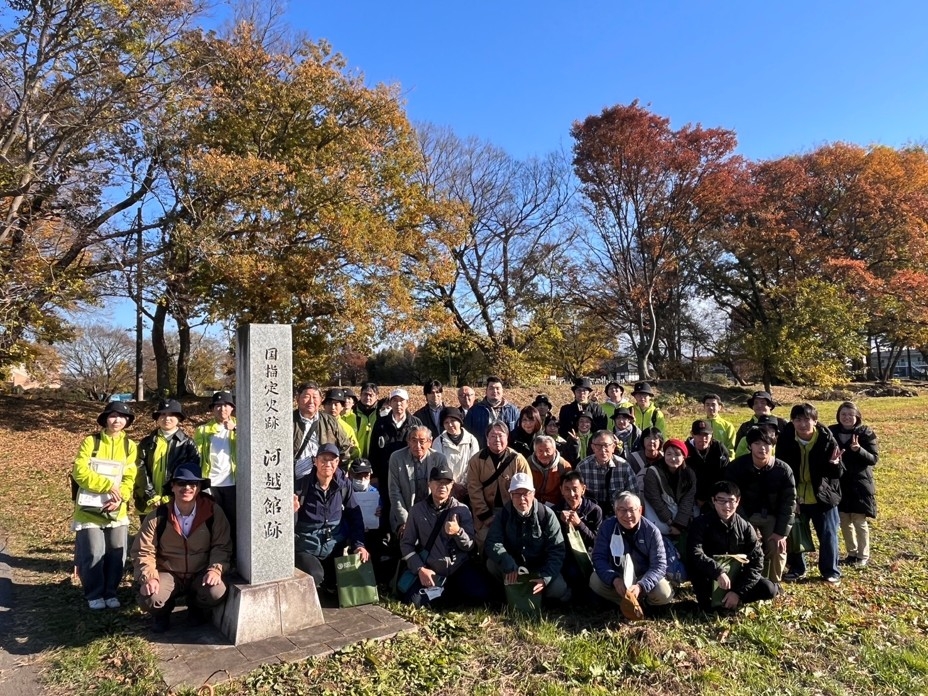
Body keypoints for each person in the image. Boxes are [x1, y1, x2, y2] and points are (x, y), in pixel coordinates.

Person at [133, 463, 232, 632]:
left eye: (193, 483)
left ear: (199, 487)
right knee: (150, 598)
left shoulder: (213, 512)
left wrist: (215, 569)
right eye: (181, 483)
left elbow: (222, 545)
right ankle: (162, 612)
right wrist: (149, 577)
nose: (187, 488)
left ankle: (196, 606)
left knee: (216, 592)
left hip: (200, 572)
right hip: (168, 572)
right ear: (172, 486)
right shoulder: (158, 516)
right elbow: (143, 550)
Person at [72, 401, 138, 610]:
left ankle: (111, 592)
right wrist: (107, 486)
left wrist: (121, 496)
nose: (117, 420)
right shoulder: (91, 442)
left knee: (117, 553)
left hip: (116, 509)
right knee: (94, 552)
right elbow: (79, 471)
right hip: (89, 510)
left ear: (127, 421)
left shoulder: (130, 446)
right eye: (112, 415)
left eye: (122, 416)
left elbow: (130, 476)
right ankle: (94, 593)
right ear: (105, 419)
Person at [398, 463, 489, 606]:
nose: (442, 486)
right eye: (438, 481)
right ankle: (445, 594)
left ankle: (447, 593)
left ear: (452, 485)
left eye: (446, 482)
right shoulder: (417, 511)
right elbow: (406, 544)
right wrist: (420, 569)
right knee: (413, 601)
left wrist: (458, 532)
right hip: (432, 569)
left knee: (481, 594)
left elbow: (469, 546)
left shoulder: (462, 509)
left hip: (458, 567)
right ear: (429, 484)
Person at [686, 481, 780, 612]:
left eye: (731, 501)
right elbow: (695, 553)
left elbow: (757, 561)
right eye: (721, 500)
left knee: (769, 589)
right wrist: (718, 572)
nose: (727, 506)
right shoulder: (700, 524)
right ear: (713, 500)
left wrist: (738, 592)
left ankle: (734, 598)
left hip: (736, 578)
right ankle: (714, 600)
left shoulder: (745, 527)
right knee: (709, 609)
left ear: (738, 501)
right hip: (709, 577)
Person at [778, 403, 844, 584]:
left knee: (828, 534)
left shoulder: (827, 439)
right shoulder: (786, 439)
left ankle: (830, 571)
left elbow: (838, 473)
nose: (802, 424)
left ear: (815, 421)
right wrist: (792, 498)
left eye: (807, 419)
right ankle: (797, 568)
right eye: (798, 419)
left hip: (823, 495)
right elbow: (783, 471)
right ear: (792, 421)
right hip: (797, 494)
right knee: (795, 532)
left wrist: (834, 464)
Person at [293, 444, 369, 593]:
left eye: (332, 460)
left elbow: (355, 516)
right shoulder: (301, 485)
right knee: (315, 575)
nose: (327, 464)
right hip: (307, 546)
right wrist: (292, 511)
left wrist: (359, 545)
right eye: (323, 460)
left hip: (333, 545)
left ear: (337, 462)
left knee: (338, 583)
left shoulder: (344, 485)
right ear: (315, 461)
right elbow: (289, 523)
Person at [724, 426, 796, 583]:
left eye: (767, 444)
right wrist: (744, 526)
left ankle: (773, 583)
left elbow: (789, 503)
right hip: (744, 516)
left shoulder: (783, 470)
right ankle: (741, 582)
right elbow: (731, 499)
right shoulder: (737, 467)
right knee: (741, 544)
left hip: (772, 516)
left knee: (778, 546)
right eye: (757, 443)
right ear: (750, 446)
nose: (762, 448)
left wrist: (781, 533)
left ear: (773, 445)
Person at [486, 473, 570, 603]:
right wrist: (507, 563)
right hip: (514, 566)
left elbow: (557, 550)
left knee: (558, 589)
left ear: (533, 494)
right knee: (491, 564)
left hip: (540, 568)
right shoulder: (504, 514)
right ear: (510, 495)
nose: (522, 498)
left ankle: (533, 595)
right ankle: (512, 590)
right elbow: (492, 541)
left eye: (526, 493)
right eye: (517, 494)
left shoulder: (546, 515)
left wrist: (545, 578)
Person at [590, 491, 673, 618]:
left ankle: (643, 603)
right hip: (618, 578)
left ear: (640, 510)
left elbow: (659, 565)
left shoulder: (652, 531)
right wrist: (614, 579)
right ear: (615, 511)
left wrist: (641, 586)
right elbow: (598, 558)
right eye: (622, 510)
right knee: (595, 580)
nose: (627, 515)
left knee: (663, 593)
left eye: (631, 510)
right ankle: (625, 603)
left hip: (643, 578)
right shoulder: (607, 527)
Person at [466, 421, 531, 549]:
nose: (497, 439)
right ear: (487, 438)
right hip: (486, 512)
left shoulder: (518, 459)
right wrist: (486, 516)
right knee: (484, 542)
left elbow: (527, 490)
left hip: (513, 511)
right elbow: (474, 490)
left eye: (500, 435)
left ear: (507, 437)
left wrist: (516, 513)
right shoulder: (476, 461)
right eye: (493, 436)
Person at [830, 401, 879, 569]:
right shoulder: (831, 432)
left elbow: (873, 459)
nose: (847, 417)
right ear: (838, 415)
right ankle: (851, 553)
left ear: (857, 416)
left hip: (860, 483)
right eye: (843, 414)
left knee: (859, 520)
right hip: (839, 483)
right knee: (844, 520)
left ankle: (862, 555)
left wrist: (859, 450)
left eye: (850, 414)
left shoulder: (865, 433)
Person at [367, 388, 423, 532]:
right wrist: (374, 475)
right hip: (385, 475)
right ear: (390, 403)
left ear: (407, 403)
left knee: (407, 507)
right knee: (386, 508)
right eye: (395, 400)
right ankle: (386, 541)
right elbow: (373, 451)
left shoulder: (415, 423)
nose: (398, 404)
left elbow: (422, 449)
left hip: (409, 475)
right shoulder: (381, 424)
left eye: (401, 401)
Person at [134, 399, 200, 517]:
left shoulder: (187, 444)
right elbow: (139, 469)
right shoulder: (146, 442)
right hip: (148, 502)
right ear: (157, 418)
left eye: (171, 415)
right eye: (163, 414)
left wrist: (171, 496)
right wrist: (151, 496)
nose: (167, 418)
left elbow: (190, 474)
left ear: (179, 418)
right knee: (149, 529)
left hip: (176, 501)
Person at [388, 426, 448, 538]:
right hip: (404, 512)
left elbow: (443, 491)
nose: (418, 446)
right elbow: (394, 492)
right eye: (414, 441)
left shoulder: (439, 459)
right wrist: (406, 521)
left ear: (430, 442)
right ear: (408, 442)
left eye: (422, 441)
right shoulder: (396, 458)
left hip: (432, 514)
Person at [292, 382, 357, 481]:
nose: (311, 401)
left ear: (320, 400)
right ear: (297, 399)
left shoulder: (330, 421)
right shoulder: (288, 421)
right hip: (296, 479)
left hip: (325, 480)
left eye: (315, 397)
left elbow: (345, 447)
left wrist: (337, 472)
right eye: (306, 397)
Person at [194, 390, 237, 535]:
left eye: (226, 405)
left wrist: (235, 429)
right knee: (213, 520)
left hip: (233, 482)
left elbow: (252, 445)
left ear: (232, 408)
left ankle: (233, 548)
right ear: (212, 409)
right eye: (217, 405)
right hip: (211, 482)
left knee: (233, 520)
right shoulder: (203, 430)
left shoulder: (242, 426)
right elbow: (197, 455)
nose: (222, 409)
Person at [553, 471, 603, 594]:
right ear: (561, 490)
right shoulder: (554, 512)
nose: (571, 494)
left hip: (587, 556)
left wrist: (579, 524)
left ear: (583, 489)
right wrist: (560, 521)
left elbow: (597, 541)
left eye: (575, 489)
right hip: (565, 557)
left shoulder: (595, 510)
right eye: (567, 489)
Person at [642, 438, 697, 539]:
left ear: (684, 457)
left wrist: (679, 524)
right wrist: (669, 521)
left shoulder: (689, 474)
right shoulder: (653, 472)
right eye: (669, 454)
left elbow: (688, 500)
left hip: (679, 510)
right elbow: (655, 499)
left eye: (677, 454)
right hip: (659, 511)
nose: (673, 458)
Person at [575, 430, 638, 513]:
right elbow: (576, 496)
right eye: (598, 446)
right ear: (593, 447)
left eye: (606, 445)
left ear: (613, 447)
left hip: (618, 512)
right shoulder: (582, 467)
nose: (603, 450)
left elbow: (634, 494)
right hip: (591, 512)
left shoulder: (624, 466)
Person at [431, 407, 479, 501]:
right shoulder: (438, 442)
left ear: (460, 421)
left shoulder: (471, 440)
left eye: (453, 421)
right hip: (447, 489)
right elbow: (439, 466)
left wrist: (463, 485)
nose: (450, 425)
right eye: (446, 422)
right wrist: (452, 485)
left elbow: (474, 465)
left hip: (468, 489)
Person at [685, 419, 730, 512]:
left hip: (716, 498)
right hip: (691, 498)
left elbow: (726, 474)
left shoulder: (719, 449)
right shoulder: (684, 450)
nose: (703, 438)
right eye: (699, 434)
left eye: (706, 435)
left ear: (711, 434)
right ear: (692, 434)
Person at [463, 376, 520, 449]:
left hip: (506, 453)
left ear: (502, 391)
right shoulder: (474, 411)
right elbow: (467, 435)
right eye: (491, 388)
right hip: (482, 452)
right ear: (486, 391)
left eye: (497, 388)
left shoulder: (513, 411)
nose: (495, 391)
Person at [733, 391, 788, 457]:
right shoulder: (745, 427)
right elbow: (738, 451)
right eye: (756, 403)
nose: (759, 405)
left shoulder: (782, 423)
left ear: (770, 406)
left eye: (763, 403)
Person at [527, 434, 572, 505]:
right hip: (532, 502)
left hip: (555, 503)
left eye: (547, 450)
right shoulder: (528, 464)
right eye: (540, 451)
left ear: (554, 450)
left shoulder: (564, 466)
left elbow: (567, 489)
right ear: (535, 452)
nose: (544, 454)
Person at [321, 387, 361, 454]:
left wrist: (352, 450)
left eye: (336, 404)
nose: (333, 407)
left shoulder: (347, 429)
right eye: (329, 403)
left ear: (342, 407)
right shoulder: (316, 423)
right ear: (324, 406)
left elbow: (356, 453)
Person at [625, 426, 663, 493]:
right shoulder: (633, 458)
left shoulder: (665, 459)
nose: (651, 441)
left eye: (655, 438)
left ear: (660, 441)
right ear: (643, 440)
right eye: (648, 438)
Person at [350, 382, 383, 458]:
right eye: (365, 394)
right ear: (360, 395)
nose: (368, 398)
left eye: (371, 395)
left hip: (377, 457)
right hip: (355, 457)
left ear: (377, 397)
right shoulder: (352, 412)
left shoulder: (381, 413)